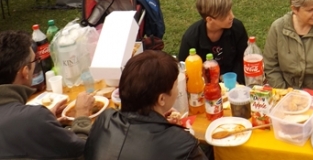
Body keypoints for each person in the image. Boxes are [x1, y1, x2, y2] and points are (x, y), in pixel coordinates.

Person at [84, 51, 207, 160]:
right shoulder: (182, 144)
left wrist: (162, 125)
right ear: (162, 99)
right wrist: (181, 135)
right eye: (176, 85)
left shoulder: (104, 120)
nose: (178, 89)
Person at [0, 30, 94, 159]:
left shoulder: (29, 119)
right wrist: (82, 115)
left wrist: (45, 124)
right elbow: (84, 150)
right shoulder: (32, 118)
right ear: (25, 72)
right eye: (35, 60)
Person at [177, 0, 248, 84]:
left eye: (230, 10)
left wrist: (236, 81)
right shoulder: (191, 38)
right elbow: (185, 71)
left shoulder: (237, 28)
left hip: (234, 82)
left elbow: (243, 59)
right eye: (225, 15)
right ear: (209, 19)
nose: (232, 16)